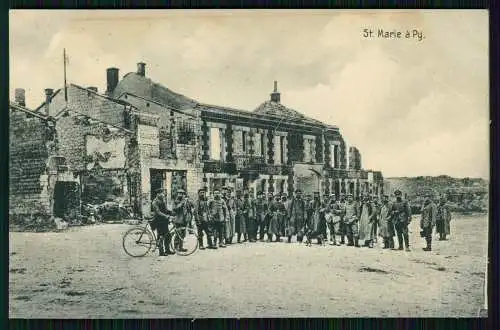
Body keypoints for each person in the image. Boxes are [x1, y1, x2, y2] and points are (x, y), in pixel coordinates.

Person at [151, 189, 174, 257]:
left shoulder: (162, 200)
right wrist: (166, 216)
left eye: (163, 193)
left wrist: (171, 213)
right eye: (161, 193)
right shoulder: (154, 202)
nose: (163, 194)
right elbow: (158, 212)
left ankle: (167, 250)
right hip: (158, 221)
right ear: (158, 194)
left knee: (168, 236)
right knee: (160, 237)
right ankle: (161, 252)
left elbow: (165, 210)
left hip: (164, 221)